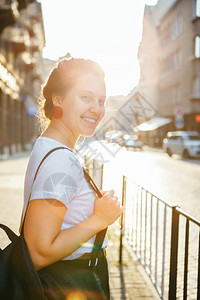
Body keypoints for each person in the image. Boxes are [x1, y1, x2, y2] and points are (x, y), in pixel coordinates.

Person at [20, 57, 122, 299]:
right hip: (66, 284)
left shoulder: (49, 146)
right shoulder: (61, 159)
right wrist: (99, 218)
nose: (97, 109)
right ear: (58, 99)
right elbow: (39, 252)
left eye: (101, 101)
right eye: (85, 97)